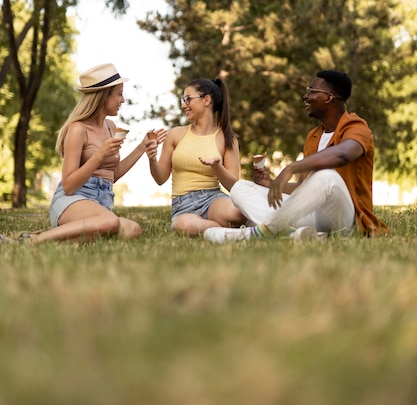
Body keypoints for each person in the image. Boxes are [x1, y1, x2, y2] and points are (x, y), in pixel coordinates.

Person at [204, 69, 388, 243]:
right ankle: (291, 233)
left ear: (328, 98)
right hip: (312, 216)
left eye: (311, 91)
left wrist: (292, 167)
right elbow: (303, 188)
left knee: (326, 176)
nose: (306, 97)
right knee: (240, 188)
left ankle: (258, 232)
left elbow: (343, 154)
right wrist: (270, 184)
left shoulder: (356, 127)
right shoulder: (313, 136)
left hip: (345, 218)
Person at [1, 63, 167, 245]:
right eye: (119, 94)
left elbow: (114, 174)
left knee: (133, 230)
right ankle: (32, 241)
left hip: (102, 203)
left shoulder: (111, 127)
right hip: (72, 199)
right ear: (103, 96)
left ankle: (59, 235)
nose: (123, 100)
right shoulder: (78, 129)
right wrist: (100, 155)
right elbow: (69, 185)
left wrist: (142, 146)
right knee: (111, 222)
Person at [145, 77, 246, 235]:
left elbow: (234, 186)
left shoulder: (227, 138)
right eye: (183, 99)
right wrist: (152, 160)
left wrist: (217, 167)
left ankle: (223, 228)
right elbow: (160, 179)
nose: (183, 105)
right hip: (183, 204)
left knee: (238, 214)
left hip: (213, 199)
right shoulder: (175, 134)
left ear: (206, 100)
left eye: (188, 99)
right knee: (184, 226)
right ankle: (232, 231)